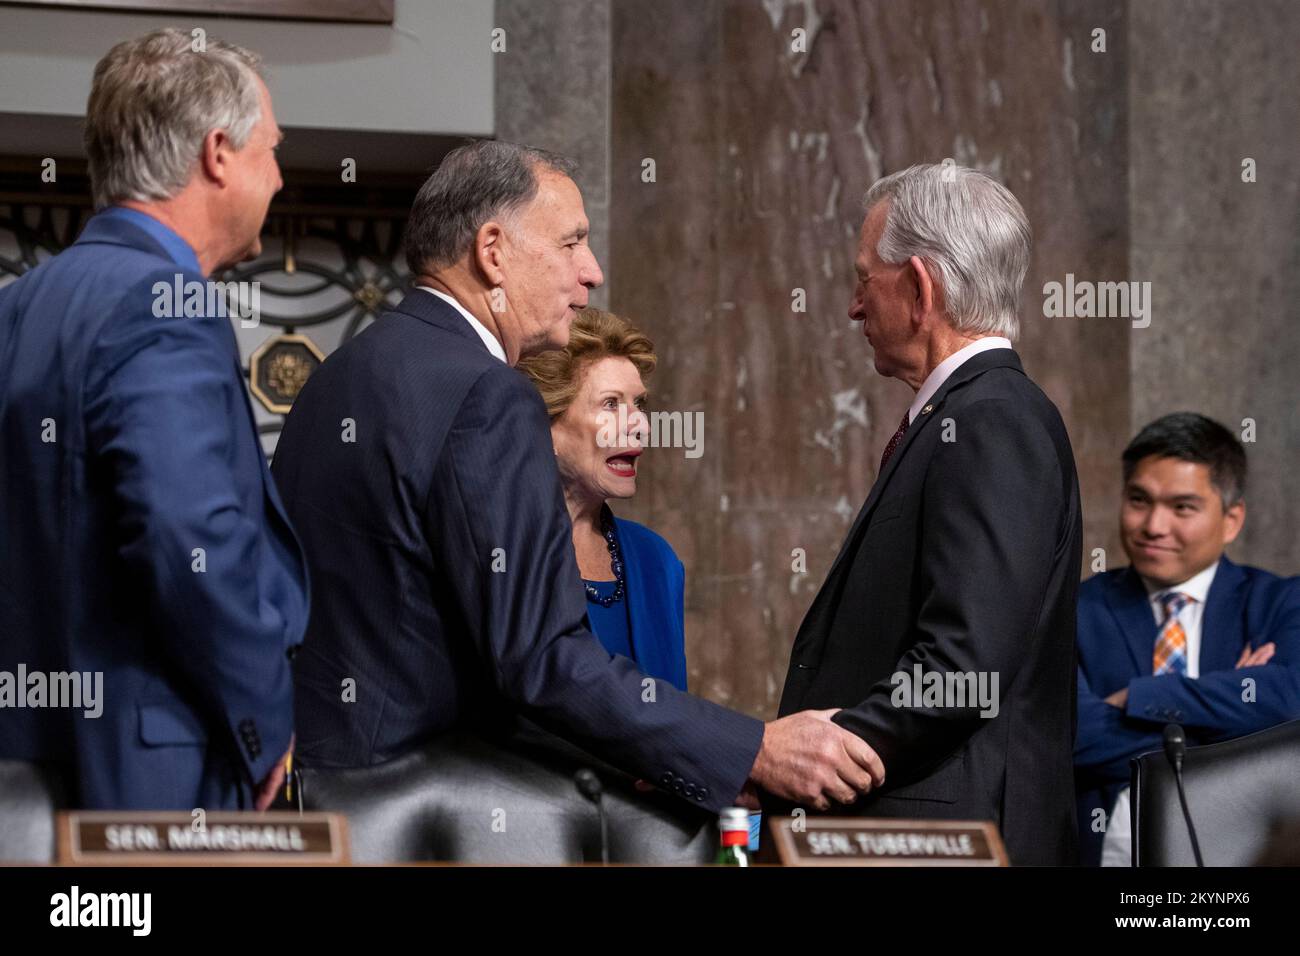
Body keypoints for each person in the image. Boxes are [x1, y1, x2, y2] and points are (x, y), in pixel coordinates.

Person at [271, 140, 882, 814]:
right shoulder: (487, 393)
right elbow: (541, 660)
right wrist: (754, 750)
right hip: (428, 823)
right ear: (493, 250)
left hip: (323, 806)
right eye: (570, 244)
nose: (589, 273)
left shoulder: (335, 378)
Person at [0, 29, 306, 810]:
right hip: (151, 787)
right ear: (218, 154)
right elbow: (186, 535)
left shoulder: (19, 306)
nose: (278, 175)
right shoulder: (164, 303)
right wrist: (260, 717)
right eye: (270, 150)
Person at [772, 163, 1083, 866]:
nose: (854, 308)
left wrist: (830, 748)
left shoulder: (992, 419)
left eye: (863, 280)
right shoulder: (965, 414)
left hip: (948, 845)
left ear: (919, 288)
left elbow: (964, 664)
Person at [1075, 412, 1300, 866]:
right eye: (1139, 500)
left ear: (1231, 519)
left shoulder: (1279, 603)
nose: (1153, 526)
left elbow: (1292, 700)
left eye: (1182, 507)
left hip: (1250, 855)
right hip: (1110, 851)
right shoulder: (1078, 610)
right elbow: (1070, 737)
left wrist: (1143, 696)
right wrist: (1235, 717)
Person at [517, 307, 687, 690]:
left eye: (639, 404)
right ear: (544, 425)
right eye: (611, 404)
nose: (641, 425)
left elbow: (675, 714)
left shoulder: (656, 558)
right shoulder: (505, 553)